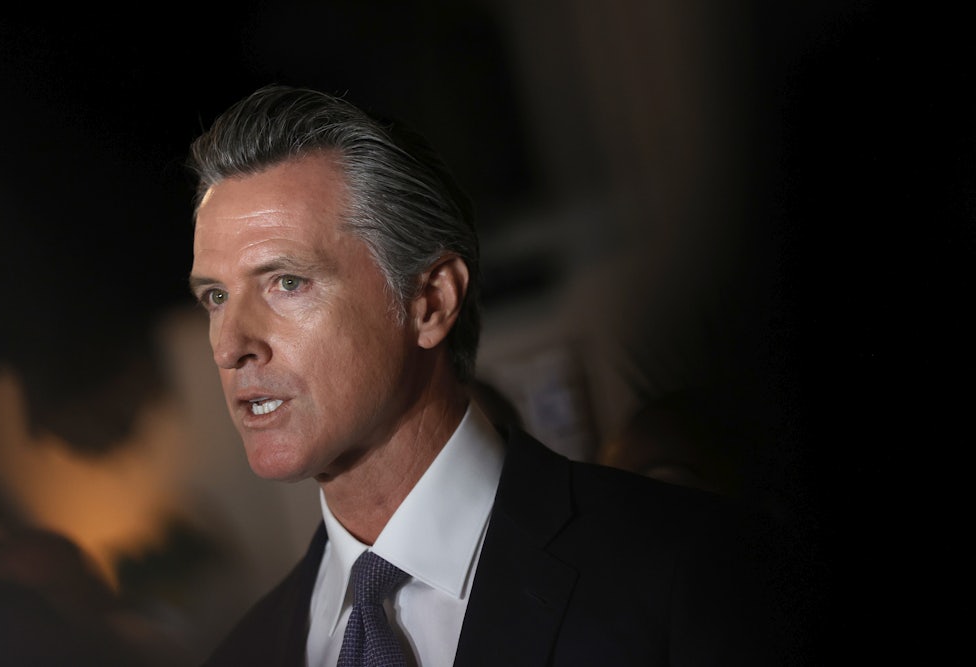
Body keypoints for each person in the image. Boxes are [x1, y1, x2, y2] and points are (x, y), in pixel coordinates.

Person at [187, 85, 800, 666]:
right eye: (214, 297)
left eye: (286, 282)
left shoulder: (688, 569)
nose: (229, 345)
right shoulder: (245, 655)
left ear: (430, 301)